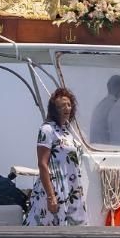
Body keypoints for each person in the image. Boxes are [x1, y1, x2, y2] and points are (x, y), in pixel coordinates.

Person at [27, 87, 87, 226]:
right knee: (48, 227)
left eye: (69, 104)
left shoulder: (68, 131)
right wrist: (51, 196)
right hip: (55, 188)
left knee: (74, 230)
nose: (66, 108)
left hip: (71, 187)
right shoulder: (47, 129)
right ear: (54, 109)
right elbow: (42, 164)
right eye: (61, 106)